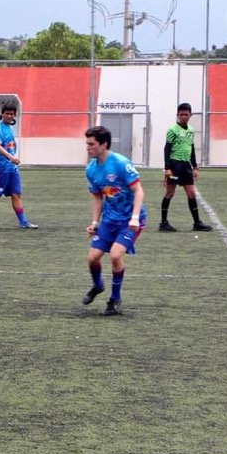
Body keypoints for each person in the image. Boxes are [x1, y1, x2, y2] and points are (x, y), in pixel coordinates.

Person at [82, 126, 146, 316]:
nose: (88, 147)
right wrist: (95, 223)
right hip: (110, 220)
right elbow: (97, 198)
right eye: (87, 143)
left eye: (91, 144)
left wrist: (134, 218)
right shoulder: (91, 169)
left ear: (104, 145)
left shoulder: (120, 163)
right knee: (92, 258)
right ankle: (98, 285)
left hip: (130, 220)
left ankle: (114, 300)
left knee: (115, 256)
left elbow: (139, 191)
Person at [0, 103, 38, 230]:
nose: (9, 116)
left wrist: (12, 159)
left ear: (14, 115)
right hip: (1, 167)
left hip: (11, 167)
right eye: (7, 113)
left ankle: (23, 221)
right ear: (2, 114)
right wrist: (11, 157)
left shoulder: (9, 128)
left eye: (11, 114)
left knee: (16, 194)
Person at [159, 103, 213, 232]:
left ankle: (197, 222)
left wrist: (195, 167)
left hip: (186, 166)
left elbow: (191, 148)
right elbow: (167, 149)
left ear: (190, 115)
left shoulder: (191, 130)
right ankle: (163, 223)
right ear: (177, 115)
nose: (183, 116)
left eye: (186, 114)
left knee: (191, 193)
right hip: (174, 165)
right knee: (170, 193)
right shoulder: (173, 130)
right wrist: (167, 168)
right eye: (181, 114)